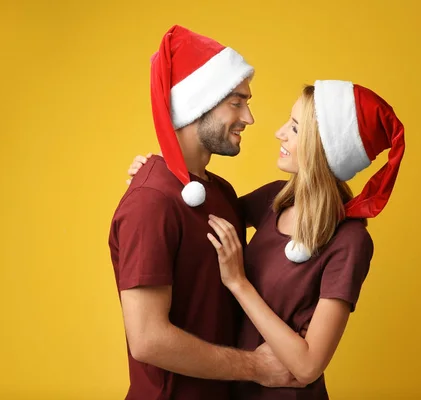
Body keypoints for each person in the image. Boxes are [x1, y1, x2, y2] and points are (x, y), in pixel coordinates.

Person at [126, 80, 405, 399]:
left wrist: (238, 283)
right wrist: (159, 173)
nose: (280, 132)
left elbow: (308, 365)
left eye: (296, 128)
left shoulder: (349, 241)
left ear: (325, 149)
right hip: (234, 390)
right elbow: (200, 214)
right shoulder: (274, 199)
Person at [108, 25, 299, 400]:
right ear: (199, 105)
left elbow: (300, 198)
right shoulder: (151, 203)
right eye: (236, 101)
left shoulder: (220, 191)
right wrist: (257, 367)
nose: (250, 117)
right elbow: (147, 340)